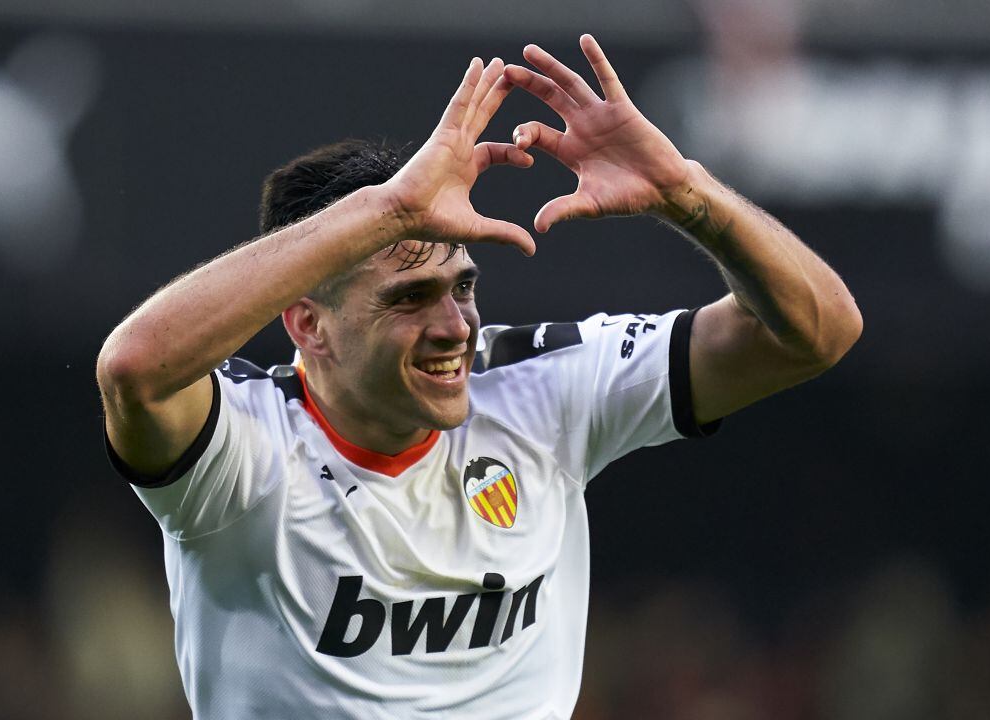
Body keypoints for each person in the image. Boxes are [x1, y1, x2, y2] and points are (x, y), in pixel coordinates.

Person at [97, 35, 861, 719]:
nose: (455, 325)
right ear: (307, 324)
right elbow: (135, 371)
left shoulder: (543, 389)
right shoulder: (243, 453)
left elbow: (817, 332)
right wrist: (389, 210)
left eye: (461, 285)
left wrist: (689, 197)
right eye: (409, 298)